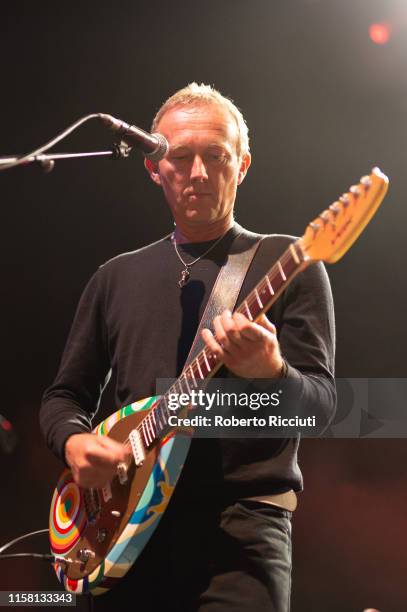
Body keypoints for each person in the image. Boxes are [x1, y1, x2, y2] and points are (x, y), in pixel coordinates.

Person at [40, 83, 336, 611]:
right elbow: (64, 396)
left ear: (242, 165)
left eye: (217, 156)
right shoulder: (114, 277)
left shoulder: (289, 261)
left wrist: (270, 372)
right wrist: (73, 443)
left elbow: (323, 408)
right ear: (154, 167)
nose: (199, 173)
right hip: (120, 531)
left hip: (240, 533)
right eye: (180, 156)